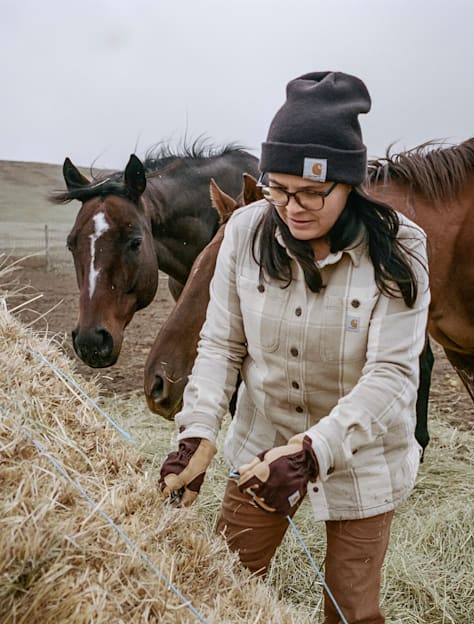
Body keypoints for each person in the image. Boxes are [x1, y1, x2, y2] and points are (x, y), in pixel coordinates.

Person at [158, 70, 430, 624]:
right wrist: (198, 433)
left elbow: (392, 376)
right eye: (279, 188)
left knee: (350, 608)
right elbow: (222, 344)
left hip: (361, 453)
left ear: (349, 183)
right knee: (222, 587)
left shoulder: (401, 249)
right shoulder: (245, 231)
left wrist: (311, 453)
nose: (292, 206)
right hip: (262, 442)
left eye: (312, 193)